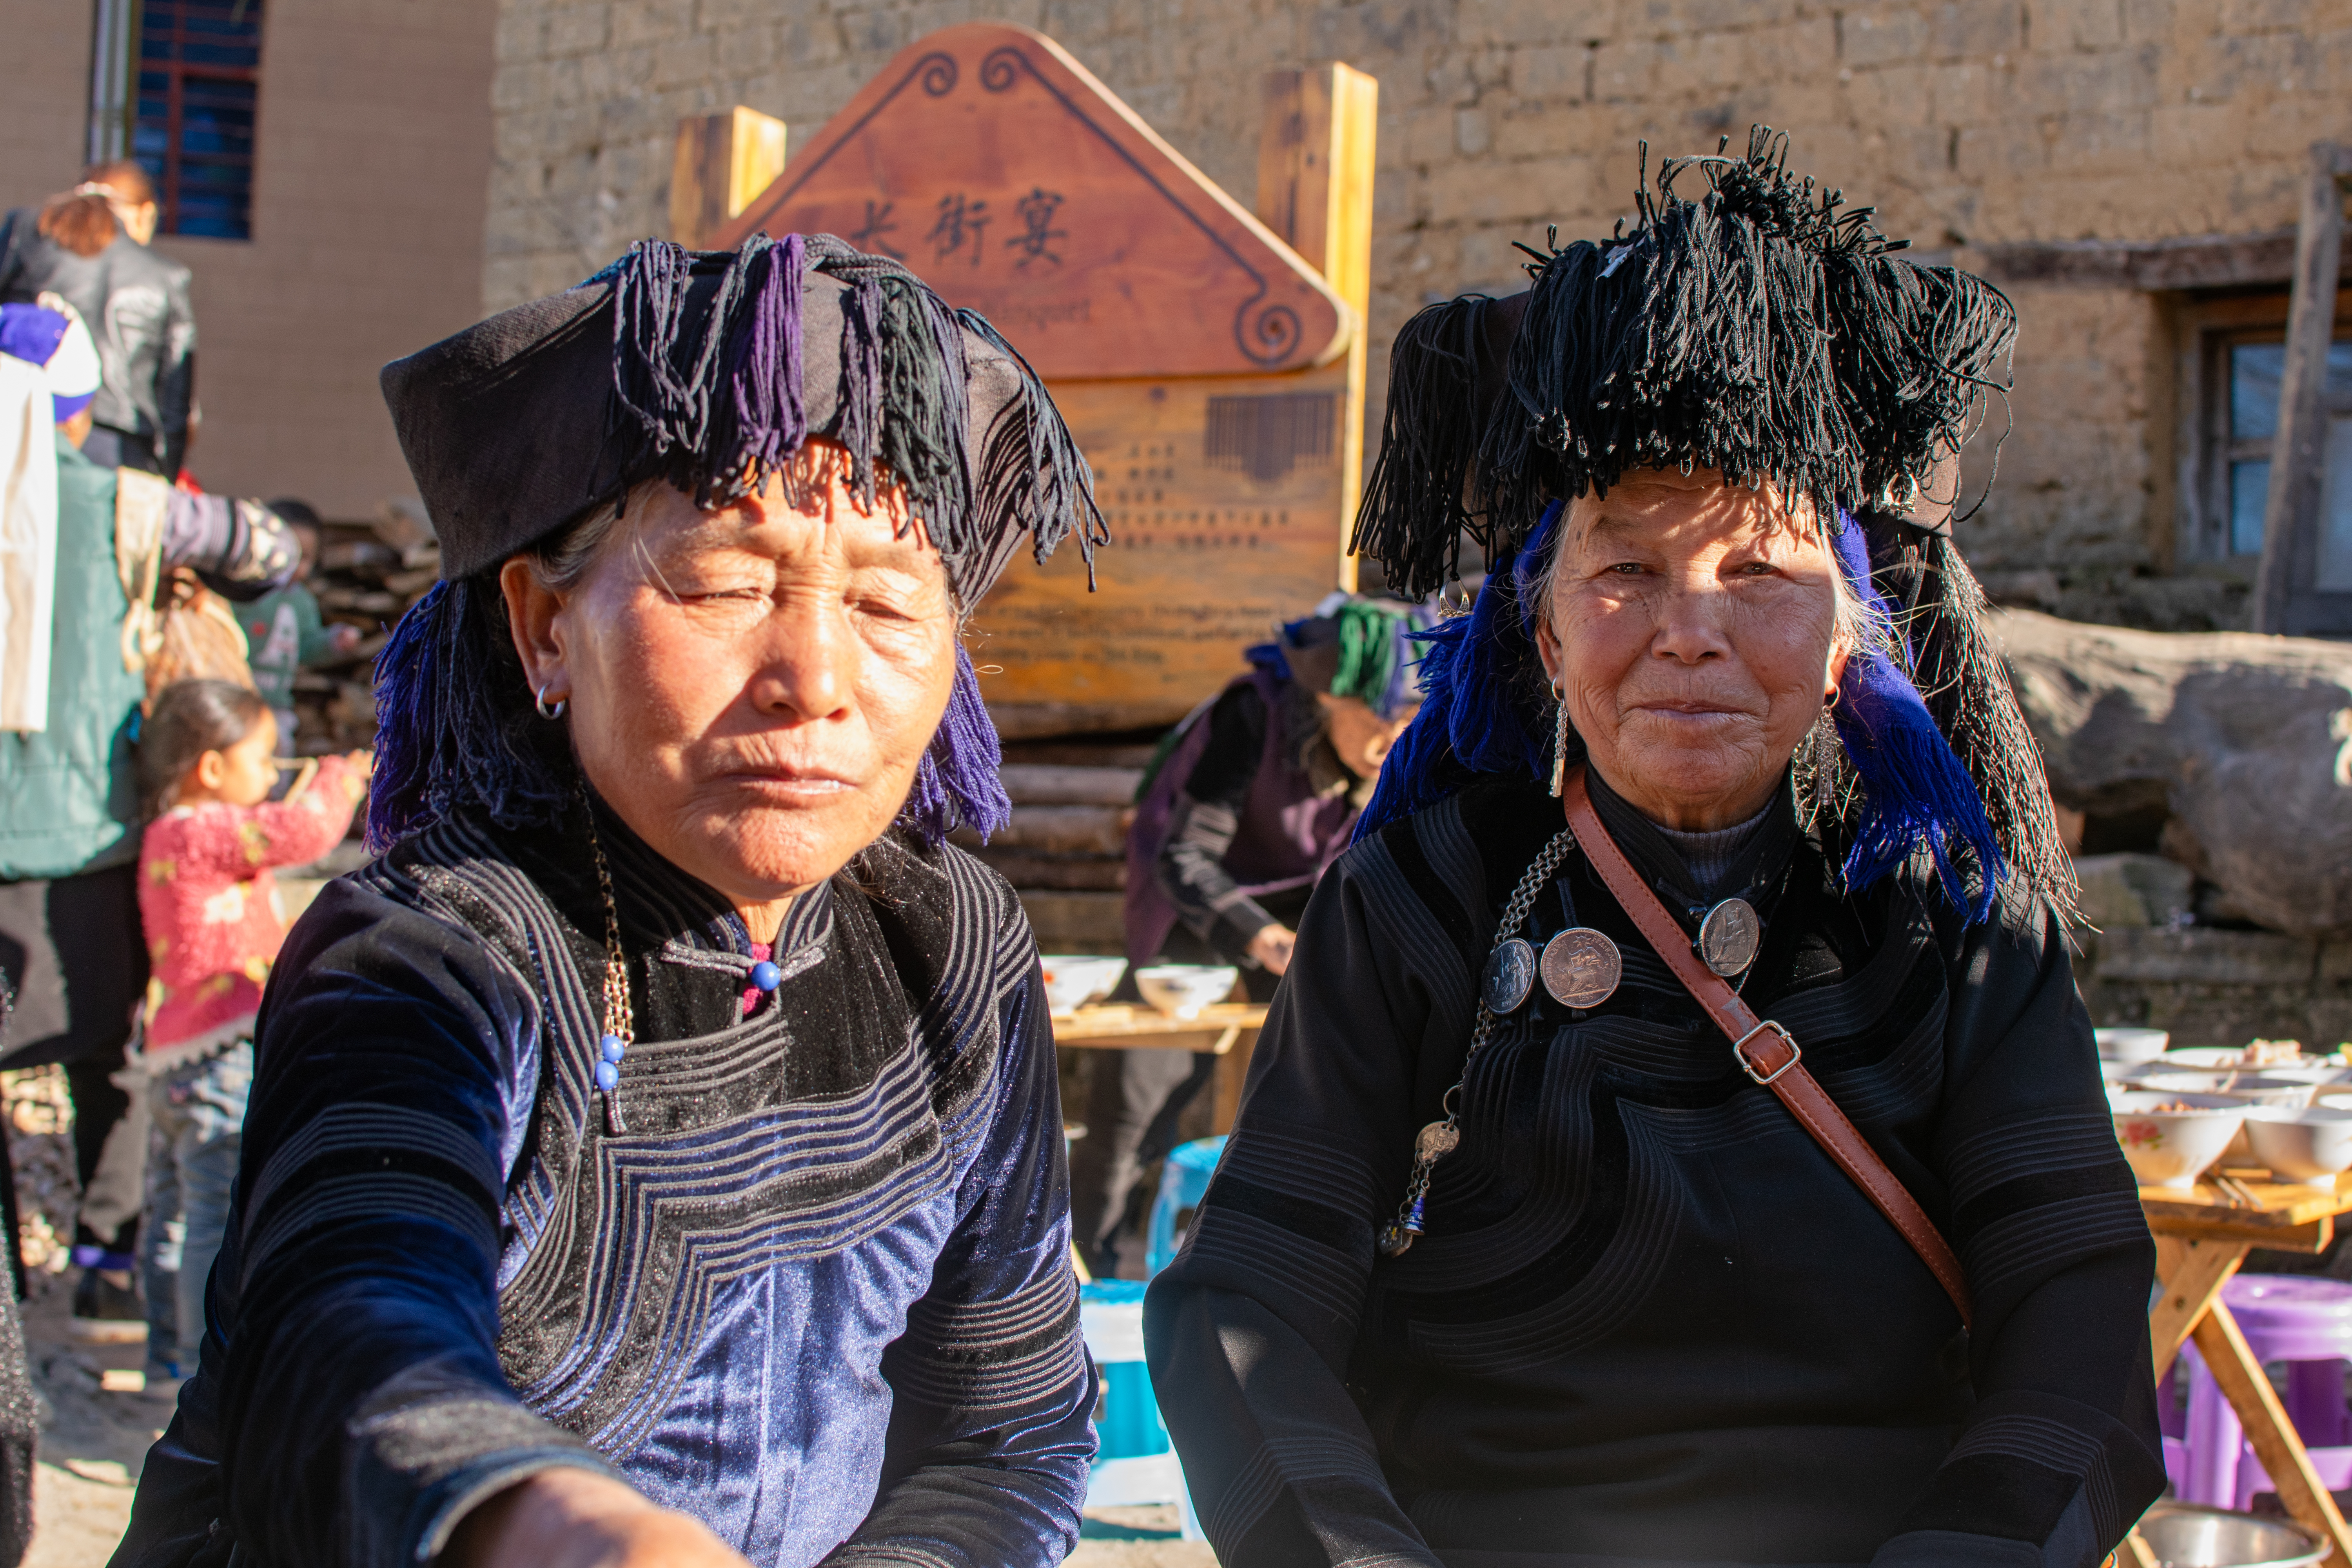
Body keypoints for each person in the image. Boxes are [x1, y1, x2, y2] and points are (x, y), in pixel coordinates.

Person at [1144, 129, 2163, 1567]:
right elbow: (1250, 1288)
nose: (1690, 625)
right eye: (1625, 568)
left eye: (1756, 570)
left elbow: (2072, 1300)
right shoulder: (1425, 892)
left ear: (1844, 642)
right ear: (1544, 632)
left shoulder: (1953, 914)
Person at [111, 233, 1108, 1568]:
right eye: (726, 581)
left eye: (885, 605)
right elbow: (351, 1309)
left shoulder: (950, 941)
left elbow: (1010, 1424)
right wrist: (550, 1531)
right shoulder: (436, 952)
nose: (813, 677)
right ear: (543, 629)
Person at [0, 304, 295, 1346]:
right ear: (80, 413)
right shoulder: (127, 505)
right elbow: (272, 551)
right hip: (85, 842)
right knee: (105, 1064)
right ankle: (105, 1257)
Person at [1069, 596, 1426, 1277]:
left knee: (1317, 1082)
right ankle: (1101, 1277)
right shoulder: (1251, 717)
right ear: (1326, 698)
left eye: (1410, 720)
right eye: (1380, 718)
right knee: (1136, 1109)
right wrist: (1260, 936)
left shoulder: (1402, 756)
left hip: (1310, 911)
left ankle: (1275, 1268)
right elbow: (1184, 856)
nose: (1394, 739)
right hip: (1201, 906)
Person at [132, 680, 368, 1384]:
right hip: (221, 1053)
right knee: (212, 1213)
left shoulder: (163, 834)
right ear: (211, 767)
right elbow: (304, 834)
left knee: (172, 1211)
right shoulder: (205, 833)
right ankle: (197, 1367)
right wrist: (339, 778)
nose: (272, 776)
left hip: (170, 1054)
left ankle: (163, 1353)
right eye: (263, 759)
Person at [0, 163, 196, 478]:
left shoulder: (28, 232)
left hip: (30, 424)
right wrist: (165, 480)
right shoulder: (166, 276)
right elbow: (175, 400)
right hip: (122, 449)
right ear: (145, 213)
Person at [233, 499, 361, 750]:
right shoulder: (241, 594)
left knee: (277, 763)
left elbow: (306, 647)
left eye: (305, 558)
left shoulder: (303, 603)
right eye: (289, 552)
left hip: (277, 708)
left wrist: (334, 642)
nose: (295, 565)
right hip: (236, 700)